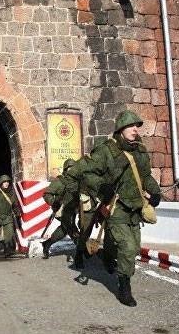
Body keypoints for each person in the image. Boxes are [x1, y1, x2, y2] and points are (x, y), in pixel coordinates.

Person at [66, 110, 161, 306]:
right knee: (127, 248)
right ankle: (124, 287)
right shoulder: (106, 151)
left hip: (135, 207)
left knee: (131, 246)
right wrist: (102, 187)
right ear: (121, 128)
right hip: (116, 206)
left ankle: (108, 257)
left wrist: (155, 192)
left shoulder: (140, 151)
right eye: (131, 126)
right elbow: (86, 173)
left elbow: (146, 176)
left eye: (137, 126)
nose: (135, 129)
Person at [41, 158, 80, 261]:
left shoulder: (78, 181)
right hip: (62, 210)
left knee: (63, 230)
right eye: (70, 168)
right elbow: (47, 194)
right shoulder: (59, 181)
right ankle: (80, 253)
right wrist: (54, 202)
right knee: (72, 229)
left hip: (73, 209)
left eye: (74, 168)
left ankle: (47, 244)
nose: (72, 170)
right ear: (65, 169)